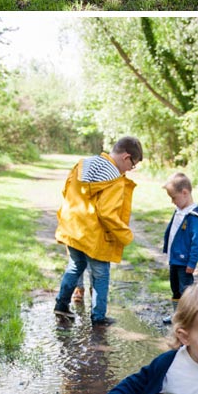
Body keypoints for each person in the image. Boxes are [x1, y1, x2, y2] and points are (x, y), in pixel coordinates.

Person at [53, 136, 143, 327]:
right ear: (126, 157)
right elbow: (107, 213)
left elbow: (65, 192)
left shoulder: (82, 165)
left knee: (75, 266)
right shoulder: (115, 181)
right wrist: (125, 234)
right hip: (96, 237)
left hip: (74, 229)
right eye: (132, 165)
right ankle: (98, 317)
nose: (130, 170)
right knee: (101, 275)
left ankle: (61, 305)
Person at [162, 171, 198, 312]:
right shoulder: (179, 210)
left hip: (184, 262)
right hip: (175, 259)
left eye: (173, 198)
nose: (172, 201)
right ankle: (176, 315)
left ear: (185, 193)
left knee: (186, 290)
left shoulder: (194, 217)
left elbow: (197, 243)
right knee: (175, 289)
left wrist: (192, 262)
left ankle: (188, 316)